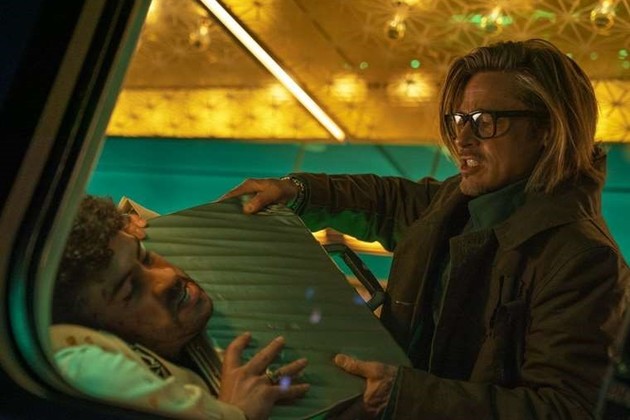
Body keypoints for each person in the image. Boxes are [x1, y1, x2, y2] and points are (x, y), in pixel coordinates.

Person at [220, 38, 630, 419]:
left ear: (547, 130)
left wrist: (404, 395)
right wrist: (297, 191)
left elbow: (564, 409)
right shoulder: (459, 202)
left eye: (484, 121)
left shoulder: (585, 261)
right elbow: (384, 201)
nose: (462, 139)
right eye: (459, 119)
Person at [52, 195, 310, 420]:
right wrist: (236, 413)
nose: (167, 277)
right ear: (95, 332)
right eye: (131, 291)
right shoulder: (93, 373)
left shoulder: (116, 241)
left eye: (145, 256)